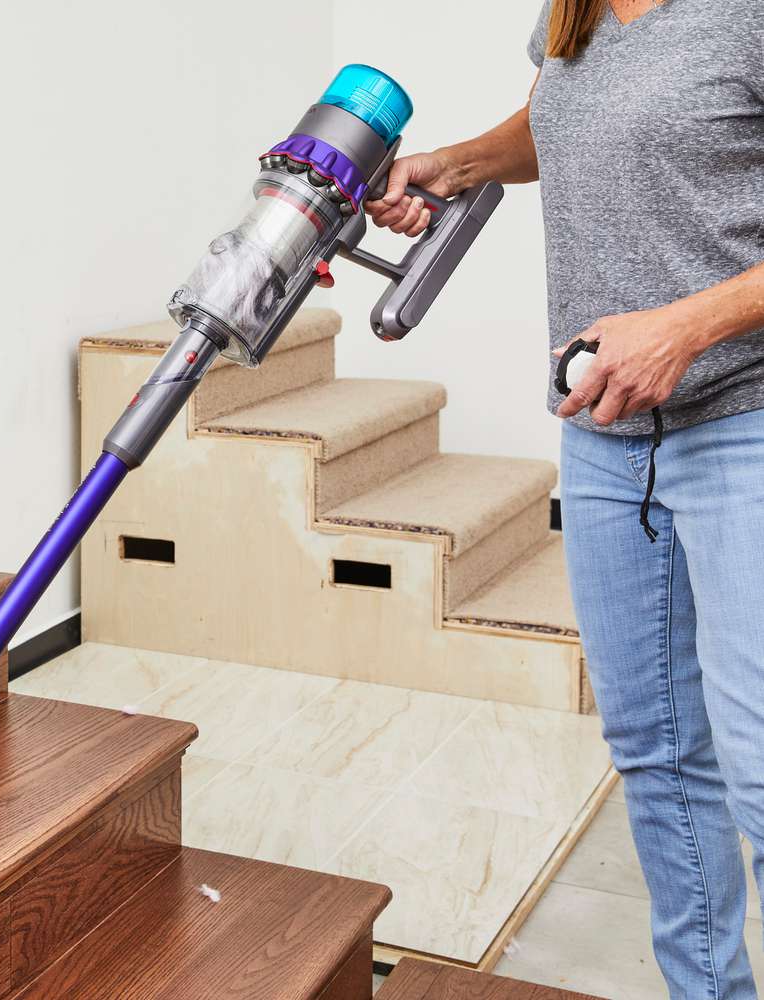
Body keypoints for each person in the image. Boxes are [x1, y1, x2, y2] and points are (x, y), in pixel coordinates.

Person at [365, 1, 764, 995]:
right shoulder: (571, 8)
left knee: (761, 764)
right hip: (604, 439)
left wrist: (689, 325)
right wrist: (449, 165)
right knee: (658, 755)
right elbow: (559, 119)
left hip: (746, 422)